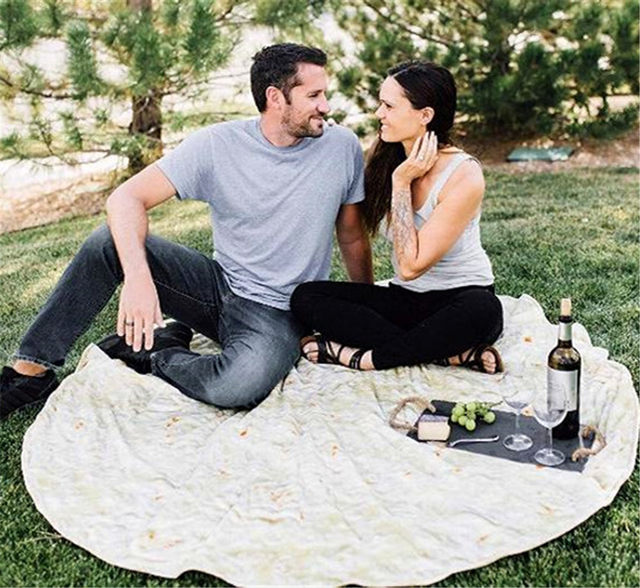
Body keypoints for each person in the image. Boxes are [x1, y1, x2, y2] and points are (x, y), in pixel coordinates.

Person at [0, 43, 373, 420]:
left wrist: (367, 309)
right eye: (314, 95)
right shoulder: (218, 145)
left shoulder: (341, 148)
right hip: (217, 288)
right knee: (107, 242)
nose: (326, 106)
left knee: (237, 386)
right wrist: (138, 279)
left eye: (324, 94)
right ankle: (30, 372)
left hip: (281, 311)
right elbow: (125, 199)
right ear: (275, 98)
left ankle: (155, 353)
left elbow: (352, 235)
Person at [290, 61, 503, 374]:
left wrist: (402, 183)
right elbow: (351, 217)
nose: (379, 113)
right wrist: (328, 147)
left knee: (484, 310)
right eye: (380, 104)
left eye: (389, 106)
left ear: (425, 115)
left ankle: (361, 358)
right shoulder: (386, 157)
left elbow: (410, 266)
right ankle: (444, 355)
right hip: (405, 300)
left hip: (460, 300)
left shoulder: (464, 174)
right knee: (306, 297)